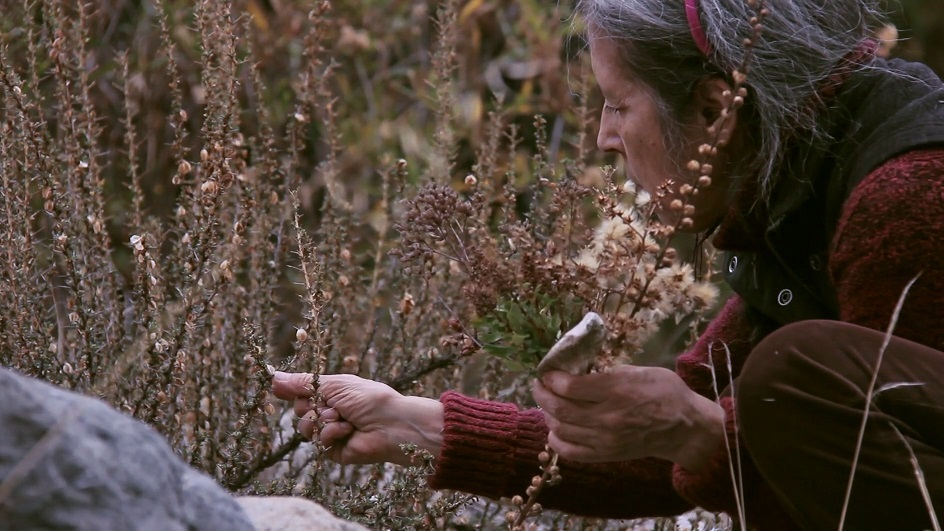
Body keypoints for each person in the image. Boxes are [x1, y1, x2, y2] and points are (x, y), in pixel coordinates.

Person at [274, 0, 944, 529]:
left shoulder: (908, 200)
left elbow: (887, 488)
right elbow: (686, 439)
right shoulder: (798, 179)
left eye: (619, 104)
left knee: (786, 373)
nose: (602, 137)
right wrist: (412, 423)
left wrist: (696, 430)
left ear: (714, 109)